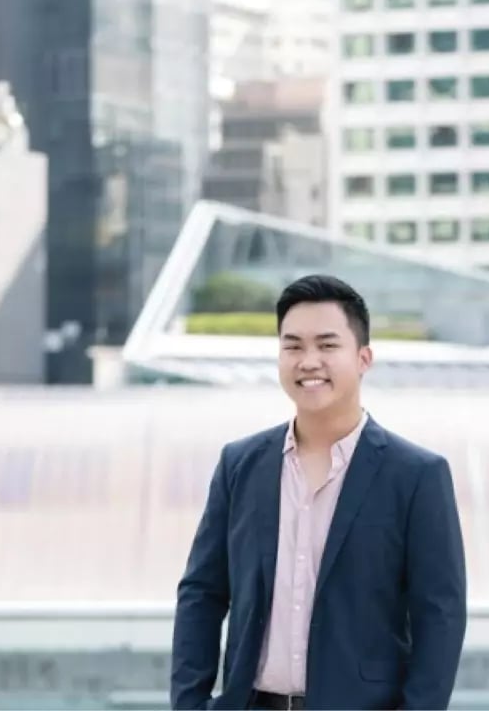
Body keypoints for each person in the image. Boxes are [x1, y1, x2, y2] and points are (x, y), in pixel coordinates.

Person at [171, 274, 467, 710]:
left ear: (363, 357)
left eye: (327, 345)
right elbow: (202, 593)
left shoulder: (417, 475)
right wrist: (189, 705)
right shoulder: (241, 465)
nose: (308, 360)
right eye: (293, 346)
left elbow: (440, 615)